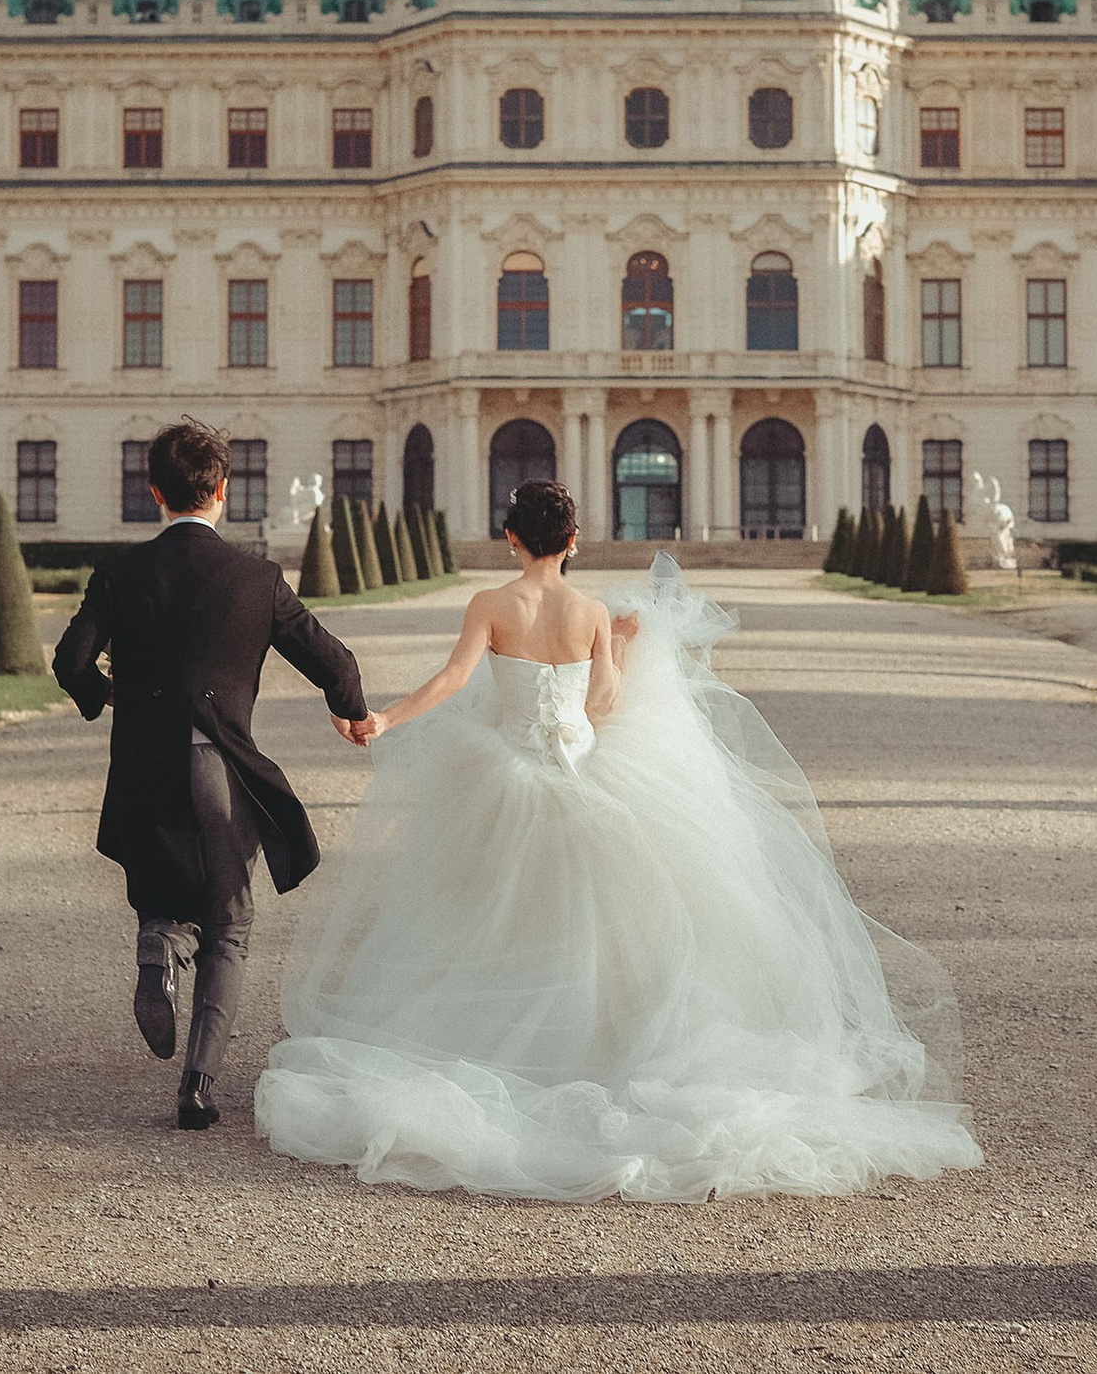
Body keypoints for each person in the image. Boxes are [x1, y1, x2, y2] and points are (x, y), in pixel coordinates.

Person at [255, 479, 982, 1200]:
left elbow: (452, 679)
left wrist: (384, 718)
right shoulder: (593, 610)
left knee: (486, 917)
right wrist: (624, 648)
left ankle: (503, 1042)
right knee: (612, 925)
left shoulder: (492, 603)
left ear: (512, 538)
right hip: (583, 772)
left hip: (500, 774)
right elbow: (601, 704)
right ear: (572, 542)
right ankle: (605, 1048)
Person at [53, 421, 371, 1131]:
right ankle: (196, 1088)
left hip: (145, 767)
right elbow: (337, 661)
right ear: (223, 492)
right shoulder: (256, 578)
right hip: (220, 765)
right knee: (231, 920)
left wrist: (108, 695)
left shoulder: (120, 574)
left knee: (165, 887)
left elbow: (71, 664)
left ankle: (162, 944)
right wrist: (350, 713)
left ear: (155, 493)